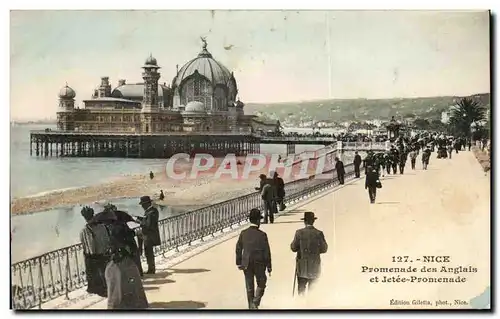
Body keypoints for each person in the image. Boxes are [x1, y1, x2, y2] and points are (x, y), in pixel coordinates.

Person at [105, 219, 148, 309]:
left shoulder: (113, 233)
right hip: (126, 262)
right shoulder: (122, 231)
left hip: (118, 264)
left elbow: (111, 249)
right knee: (130, 285)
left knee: (117, 286)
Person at [235, 209, 272, 310]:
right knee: (262, 283)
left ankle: (251, 309)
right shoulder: (262, 235)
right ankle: (255, 302)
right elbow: (266, 251)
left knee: (249, 287)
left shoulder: (243, 233)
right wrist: (269, 266)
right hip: (259, 263)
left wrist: (238, 262)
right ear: (257, 221)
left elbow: (238, 248)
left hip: (246, 262)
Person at [290, 211, 328, 296]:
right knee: (313, 290)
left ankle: (301, 305)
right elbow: (324, 248)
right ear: (313, 221)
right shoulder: (319, 233)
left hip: (302, 266)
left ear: (305, 221)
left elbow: (293, 248)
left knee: (301, 288)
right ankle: (311, 305)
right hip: (314, 266)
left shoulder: (299, 233)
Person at [80, 206, 111, 297]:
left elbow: (85, 244)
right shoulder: (102, 226)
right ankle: (108, 289)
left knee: (96, 274)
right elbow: (107, 239)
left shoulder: (85, 230)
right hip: (104, 253)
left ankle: (100, 290)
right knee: (105, 273)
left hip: (93, 255)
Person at [136, 196, 160, 274]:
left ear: (147, 204)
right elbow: (146, 220)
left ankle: (151, 269)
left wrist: (139, 221)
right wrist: (140, 218)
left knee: (149, 252)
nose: (142, 206)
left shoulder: (152, 212)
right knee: (148, 252)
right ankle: (150, 267)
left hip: (150, 235)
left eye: (143, 205)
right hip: (148, 235)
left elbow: (148, 225)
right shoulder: (150, 211)